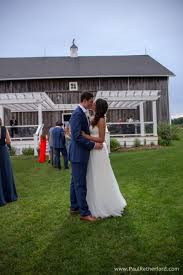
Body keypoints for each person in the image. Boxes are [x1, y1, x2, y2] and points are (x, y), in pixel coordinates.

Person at [81, 99, 127, 218]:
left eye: (95, 103)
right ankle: (93, 202)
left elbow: (101, 139)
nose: (93, 104)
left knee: (100, 176)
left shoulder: (101, 120)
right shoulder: (93, 117)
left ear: (99, 107)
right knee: (92, 176)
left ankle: (105, 204)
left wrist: (86, 136)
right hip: (93, 150)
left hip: (99, 152)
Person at [69, 92, 103, 222]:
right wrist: (93, 145)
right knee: (80, 184)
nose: (91, 103)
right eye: (90, 101)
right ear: (84, 100)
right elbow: (77, 136)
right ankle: (84, 213)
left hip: (78, 153)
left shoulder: (82, 112)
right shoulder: (77, 114)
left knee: (75, 182)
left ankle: (74, 207)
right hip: (79, 154)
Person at [0, 118, 18, 206]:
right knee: (6, 172)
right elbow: (8, 141)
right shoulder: (3, 128)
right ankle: (9, 196)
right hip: (3, 152)